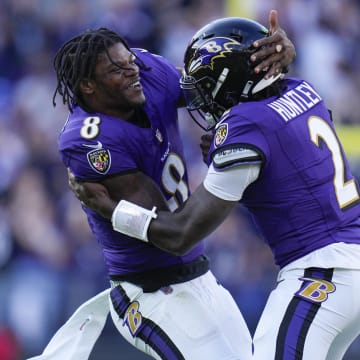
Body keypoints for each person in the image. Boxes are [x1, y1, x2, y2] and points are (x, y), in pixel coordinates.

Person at [71, 16, 360, 360]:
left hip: (321, 273)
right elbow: (285, 157)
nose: (203, 101)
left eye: (208, 88)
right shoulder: (302, 89)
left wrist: (111, 210)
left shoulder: (245, 126)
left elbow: (180, 233)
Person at [29, 11, 295, 360]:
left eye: (129, 61)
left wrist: (272, 61)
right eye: (116, 70)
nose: (132, 71)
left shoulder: (146, 71)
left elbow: (215, 86)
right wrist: (232, 168)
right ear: (88, 87)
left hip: (200, 276)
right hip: (149, 293)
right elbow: (171, 234)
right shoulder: (90, 139)